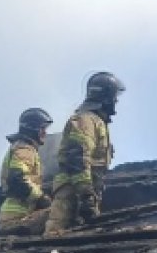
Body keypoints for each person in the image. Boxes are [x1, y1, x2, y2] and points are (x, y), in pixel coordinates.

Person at [44, 72, 125, 235]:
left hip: (82, 193)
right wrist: (86, 195)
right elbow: (78, 158)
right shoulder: (86, 120)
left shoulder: (96, 121)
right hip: (71, 194)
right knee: (56, 237)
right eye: (115, 96)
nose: (116, 101)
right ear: (106, 96)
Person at [0, 108, 54, 235]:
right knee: (60, 213)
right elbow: (17, 178)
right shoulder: (25, 149)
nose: (45, 133)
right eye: (42, 128)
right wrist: (41, 198)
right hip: (16, 218)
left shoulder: (22, 147)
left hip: (14, 217)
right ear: (32, 129)